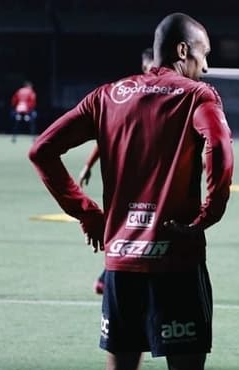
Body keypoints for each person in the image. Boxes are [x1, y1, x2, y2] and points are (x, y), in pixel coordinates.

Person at [29, 13, 234, 370]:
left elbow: (42, 150)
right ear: (183, 50)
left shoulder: (108, 95)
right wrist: (211, 212)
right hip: (177, 260)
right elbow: (220, 148)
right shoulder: (196, 95)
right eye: (203, 54)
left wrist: (87, 213)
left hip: (122, 262)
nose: (206, 66)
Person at [79, 47, 156, 295]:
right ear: (144, 67)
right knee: (132, 227)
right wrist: (88, 165)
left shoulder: (170, 96)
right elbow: (106, 135)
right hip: (129, 178)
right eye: (150, 67)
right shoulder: (129, 96)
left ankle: (114, 276)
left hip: (153, 176)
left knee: (145, 229)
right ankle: (110, 275)